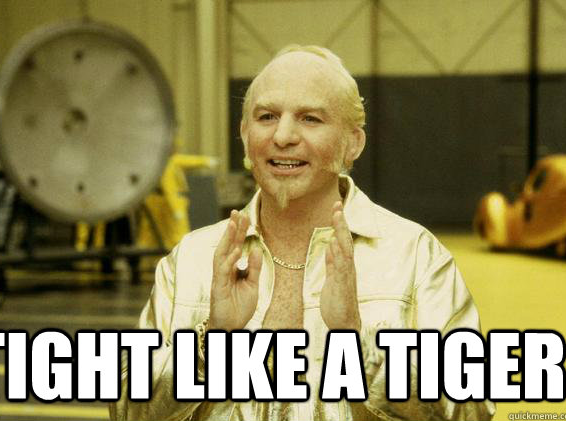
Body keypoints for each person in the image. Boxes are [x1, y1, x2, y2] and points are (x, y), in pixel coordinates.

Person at [110, 45, 495, 421]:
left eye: (310, 118)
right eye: (266, 116)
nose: (283, 136)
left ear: (352, 143)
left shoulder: (415, 258)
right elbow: (127, 410)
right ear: (244, 135)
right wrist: (211, 344)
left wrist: (357, 342)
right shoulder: (192, 260)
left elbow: (470, 408)